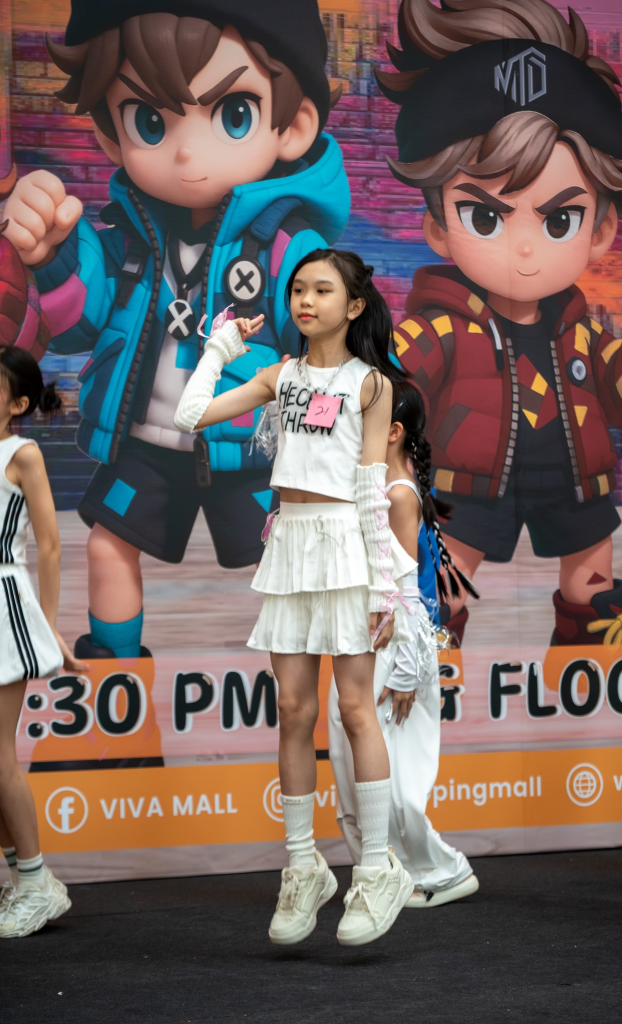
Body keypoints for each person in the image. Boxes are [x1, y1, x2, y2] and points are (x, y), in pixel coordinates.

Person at [3, 0, 350, 662]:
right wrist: (51, 257)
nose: (188, 152)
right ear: (112, 133)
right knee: (108, 545)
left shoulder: (286, 251)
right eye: (150, 121)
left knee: (292, 559)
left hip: (252, 449)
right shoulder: (123, 244)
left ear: (294, 125)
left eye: (234, 114)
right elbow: (78, 327)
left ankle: (307, 679)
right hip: (147, 443)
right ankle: (115, 676)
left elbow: (327, 352)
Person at [379, 0, 622, 646]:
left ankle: (589, 660)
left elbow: (621, 395)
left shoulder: (580, 332)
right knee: (445, 578)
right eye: (485, 217)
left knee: (592, 576)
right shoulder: (442, 329)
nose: (523, 248)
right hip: (470, 483)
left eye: (559, 219)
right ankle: (423, 662)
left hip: (572, 478)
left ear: (600, 229)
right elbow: (396, 376)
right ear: (438, 226)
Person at [174, 248, 414, 946]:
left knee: (355, 709)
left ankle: (375, 869)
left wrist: (385, 586)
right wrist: (220, 347)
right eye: (299, 289)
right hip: (290, 544)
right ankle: (303, 865)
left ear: (355, 305)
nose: (306, 300)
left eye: (322, 290)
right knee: (292, 710)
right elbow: (192, 415)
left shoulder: (371, 384)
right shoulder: (279, 376)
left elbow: (371, 488)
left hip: (346, 547)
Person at [328, 380, 479, 907]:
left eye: (363, 418)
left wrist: (409, 669)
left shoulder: (397, 494)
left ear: (392, 432)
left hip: (395, 649)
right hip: (366, 640)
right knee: (353, 767)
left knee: (393, 786)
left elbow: (410, 592)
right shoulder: (381, 487)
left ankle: (437, 873)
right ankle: (388, 874)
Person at [0, 347, 87, 938]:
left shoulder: (21, 453)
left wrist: (49, 627)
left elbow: (50, 546)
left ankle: (34, 883)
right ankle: (27, 880)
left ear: (19, 403)